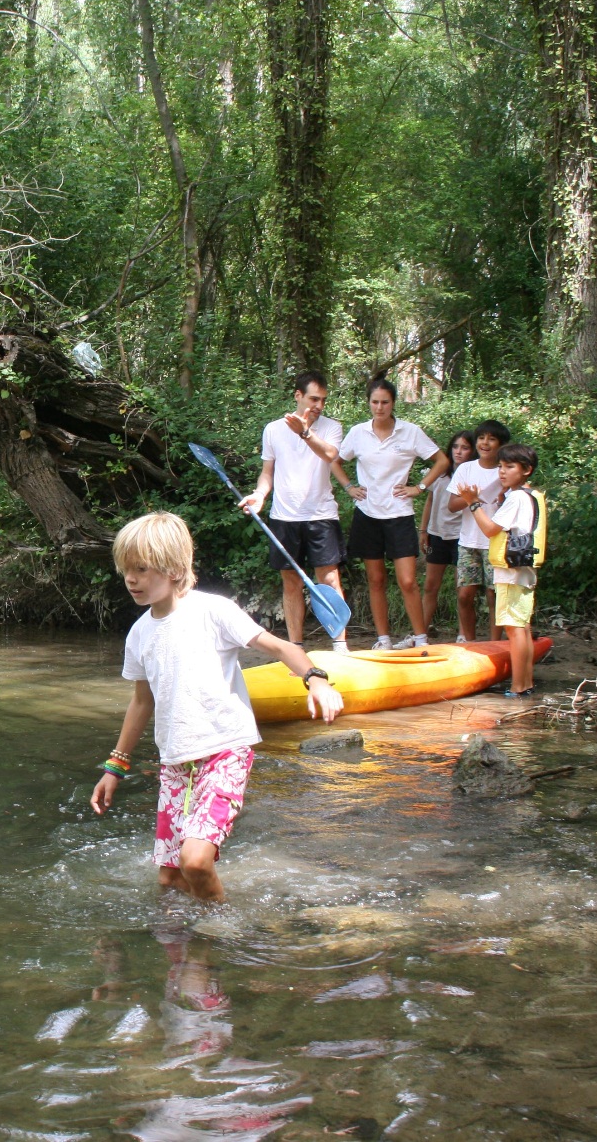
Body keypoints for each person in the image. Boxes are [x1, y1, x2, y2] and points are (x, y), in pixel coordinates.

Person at [90, 513, 345, 903]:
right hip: (176, 761)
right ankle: (184, 956)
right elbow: (142, 701)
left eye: (141, 569)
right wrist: (115, 767)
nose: (131, 579)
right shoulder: (139, 633)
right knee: (170, 879)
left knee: (195, 862)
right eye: (126, 570)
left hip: (225, 751)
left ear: (175, 569)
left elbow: (280, 647)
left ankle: (219, 937)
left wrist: (316, 678)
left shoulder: (213, 611)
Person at [334, 380, 449, 650]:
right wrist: (349, 487)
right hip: (368, 514)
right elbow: (335, 461)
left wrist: (419, 487)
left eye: (385, 402)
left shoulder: (410, 432)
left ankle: (421, 639)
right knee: (375, 580)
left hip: (399, 514)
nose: (380, 407)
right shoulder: (358, 433)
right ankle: (383, 639)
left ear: (393, 403)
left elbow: (442, 460)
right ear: (368, 403)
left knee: (407, 581)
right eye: (375, 402)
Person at [240, 371, 350, 651]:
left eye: (323, 400)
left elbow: (329, 455)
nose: (319, 405)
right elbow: (267, 473)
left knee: (329, 579)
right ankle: (296, 648)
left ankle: (340, 646)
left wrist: (304, 432)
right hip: (284, 517)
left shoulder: (331, 427)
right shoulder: (273, 429)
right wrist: (259, 495)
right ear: (298, 396)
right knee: (291, 582)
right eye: (314, 398)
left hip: (321, 514)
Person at [454, 444, 542, 696]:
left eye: (510, 467)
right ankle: (525, 684)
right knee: (522, 628)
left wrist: (472, 503)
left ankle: (518, 686)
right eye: (501, 466)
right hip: (522, 570)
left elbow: (491, 529)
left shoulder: (516, 498)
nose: (502, 472)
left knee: (515, 631)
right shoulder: (530, 495)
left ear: (526, 470)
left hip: (510, 571)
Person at [446, 419, 511, 642]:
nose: (485, 443)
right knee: (465, 595)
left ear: (501, 445)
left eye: (491, 439)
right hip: (468, 541)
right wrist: (470, 499)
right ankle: (470, 644)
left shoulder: (506, 471)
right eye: (482, 438)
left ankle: (494, 644)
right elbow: (452, 505)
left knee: (494, 595)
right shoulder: (466, 469)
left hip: (495, 541)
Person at [419, 431, 477, 637]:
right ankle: (420, 633)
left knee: (462, 591)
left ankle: (463, 635)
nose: (458, 452)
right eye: (455, 447)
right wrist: (423, 530)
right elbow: (430, 500)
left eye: (464, 447)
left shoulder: (473, 474)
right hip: (437, 534)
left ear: (472, 451)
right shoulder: (441, 473)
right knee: (430, 586)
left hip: (462, 536)